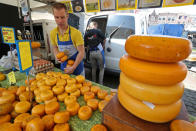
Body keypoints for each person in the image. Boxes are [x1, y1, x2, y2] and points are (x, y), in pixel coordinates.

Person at [50, 3, 85, 76]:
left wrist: (73, 67)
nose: (59, 21)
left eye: (62, 17)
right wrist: (57, 55)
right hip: (64, 68)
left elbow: (81, 52)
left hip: (77, 68)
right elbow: (55, 47)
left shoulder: (76, 33)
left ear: (67, 16)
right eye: (57, 17)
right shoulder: (53, 33)